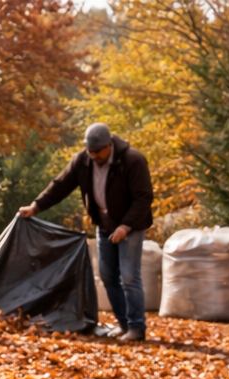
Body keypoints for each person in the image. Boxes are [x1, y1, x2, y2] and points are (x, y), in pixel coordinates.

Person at [19, 123, 154, 341]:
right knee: (108, 276)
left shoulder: (132, 160)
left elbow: (143, 198)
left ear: (109, 146)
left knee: (129, 277)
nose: (93, 155)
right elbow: (60, 185)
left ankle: (137, 329)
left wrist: (125, 226)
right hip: (104, 224)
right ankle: (123, 324)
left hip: (131, 226)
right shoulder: (83, 160)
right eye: (90, 151)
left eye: (97, 151)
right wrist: (36, 207)